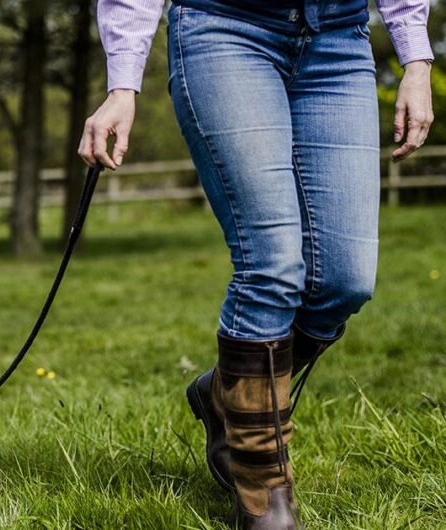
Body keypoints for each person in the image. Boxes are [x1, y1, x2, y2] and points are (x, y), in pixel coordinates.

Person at [79, 1, 434, 528]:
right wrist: (122, 83)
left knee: (345, 279)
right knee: (270, 265)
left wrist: (417, 60)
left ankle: (227, 390)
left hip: (338, 38)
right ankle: (263, 497)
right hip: (223, 27)